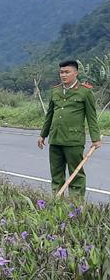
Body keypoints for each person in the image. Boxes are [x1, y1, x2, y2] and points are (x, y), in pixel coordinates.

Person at [38, 59, 102, 198]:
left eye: (67, 72)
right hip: (55, 139)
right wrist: (43, 135)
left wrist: (95, 139)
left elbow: (91, 117)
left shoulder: (85, 92)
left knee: (76, 174)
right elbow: (49, 115)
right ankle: (57, 202)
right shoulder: (55, 91)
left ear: (76, 73)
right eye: (61, 72)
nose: (63, 75)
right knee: (56, 174)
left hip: (73, 140)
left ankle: (76, 205)